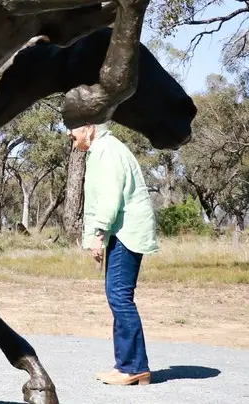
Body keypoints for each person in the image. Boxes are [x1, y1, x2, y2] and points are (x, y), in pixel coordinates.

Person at [71, 122, 159, 386]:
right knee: (117, 296)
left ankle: (134, 367)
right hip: (122, 231)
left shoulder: (106, 150)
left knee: (120, 297)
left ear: (89, 128)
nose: (69, 133)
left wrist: (98, 234)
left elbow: (110, 196)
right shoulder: (104, 148)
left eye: (73, 127)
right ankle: (126, 365)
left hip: (126, 232)